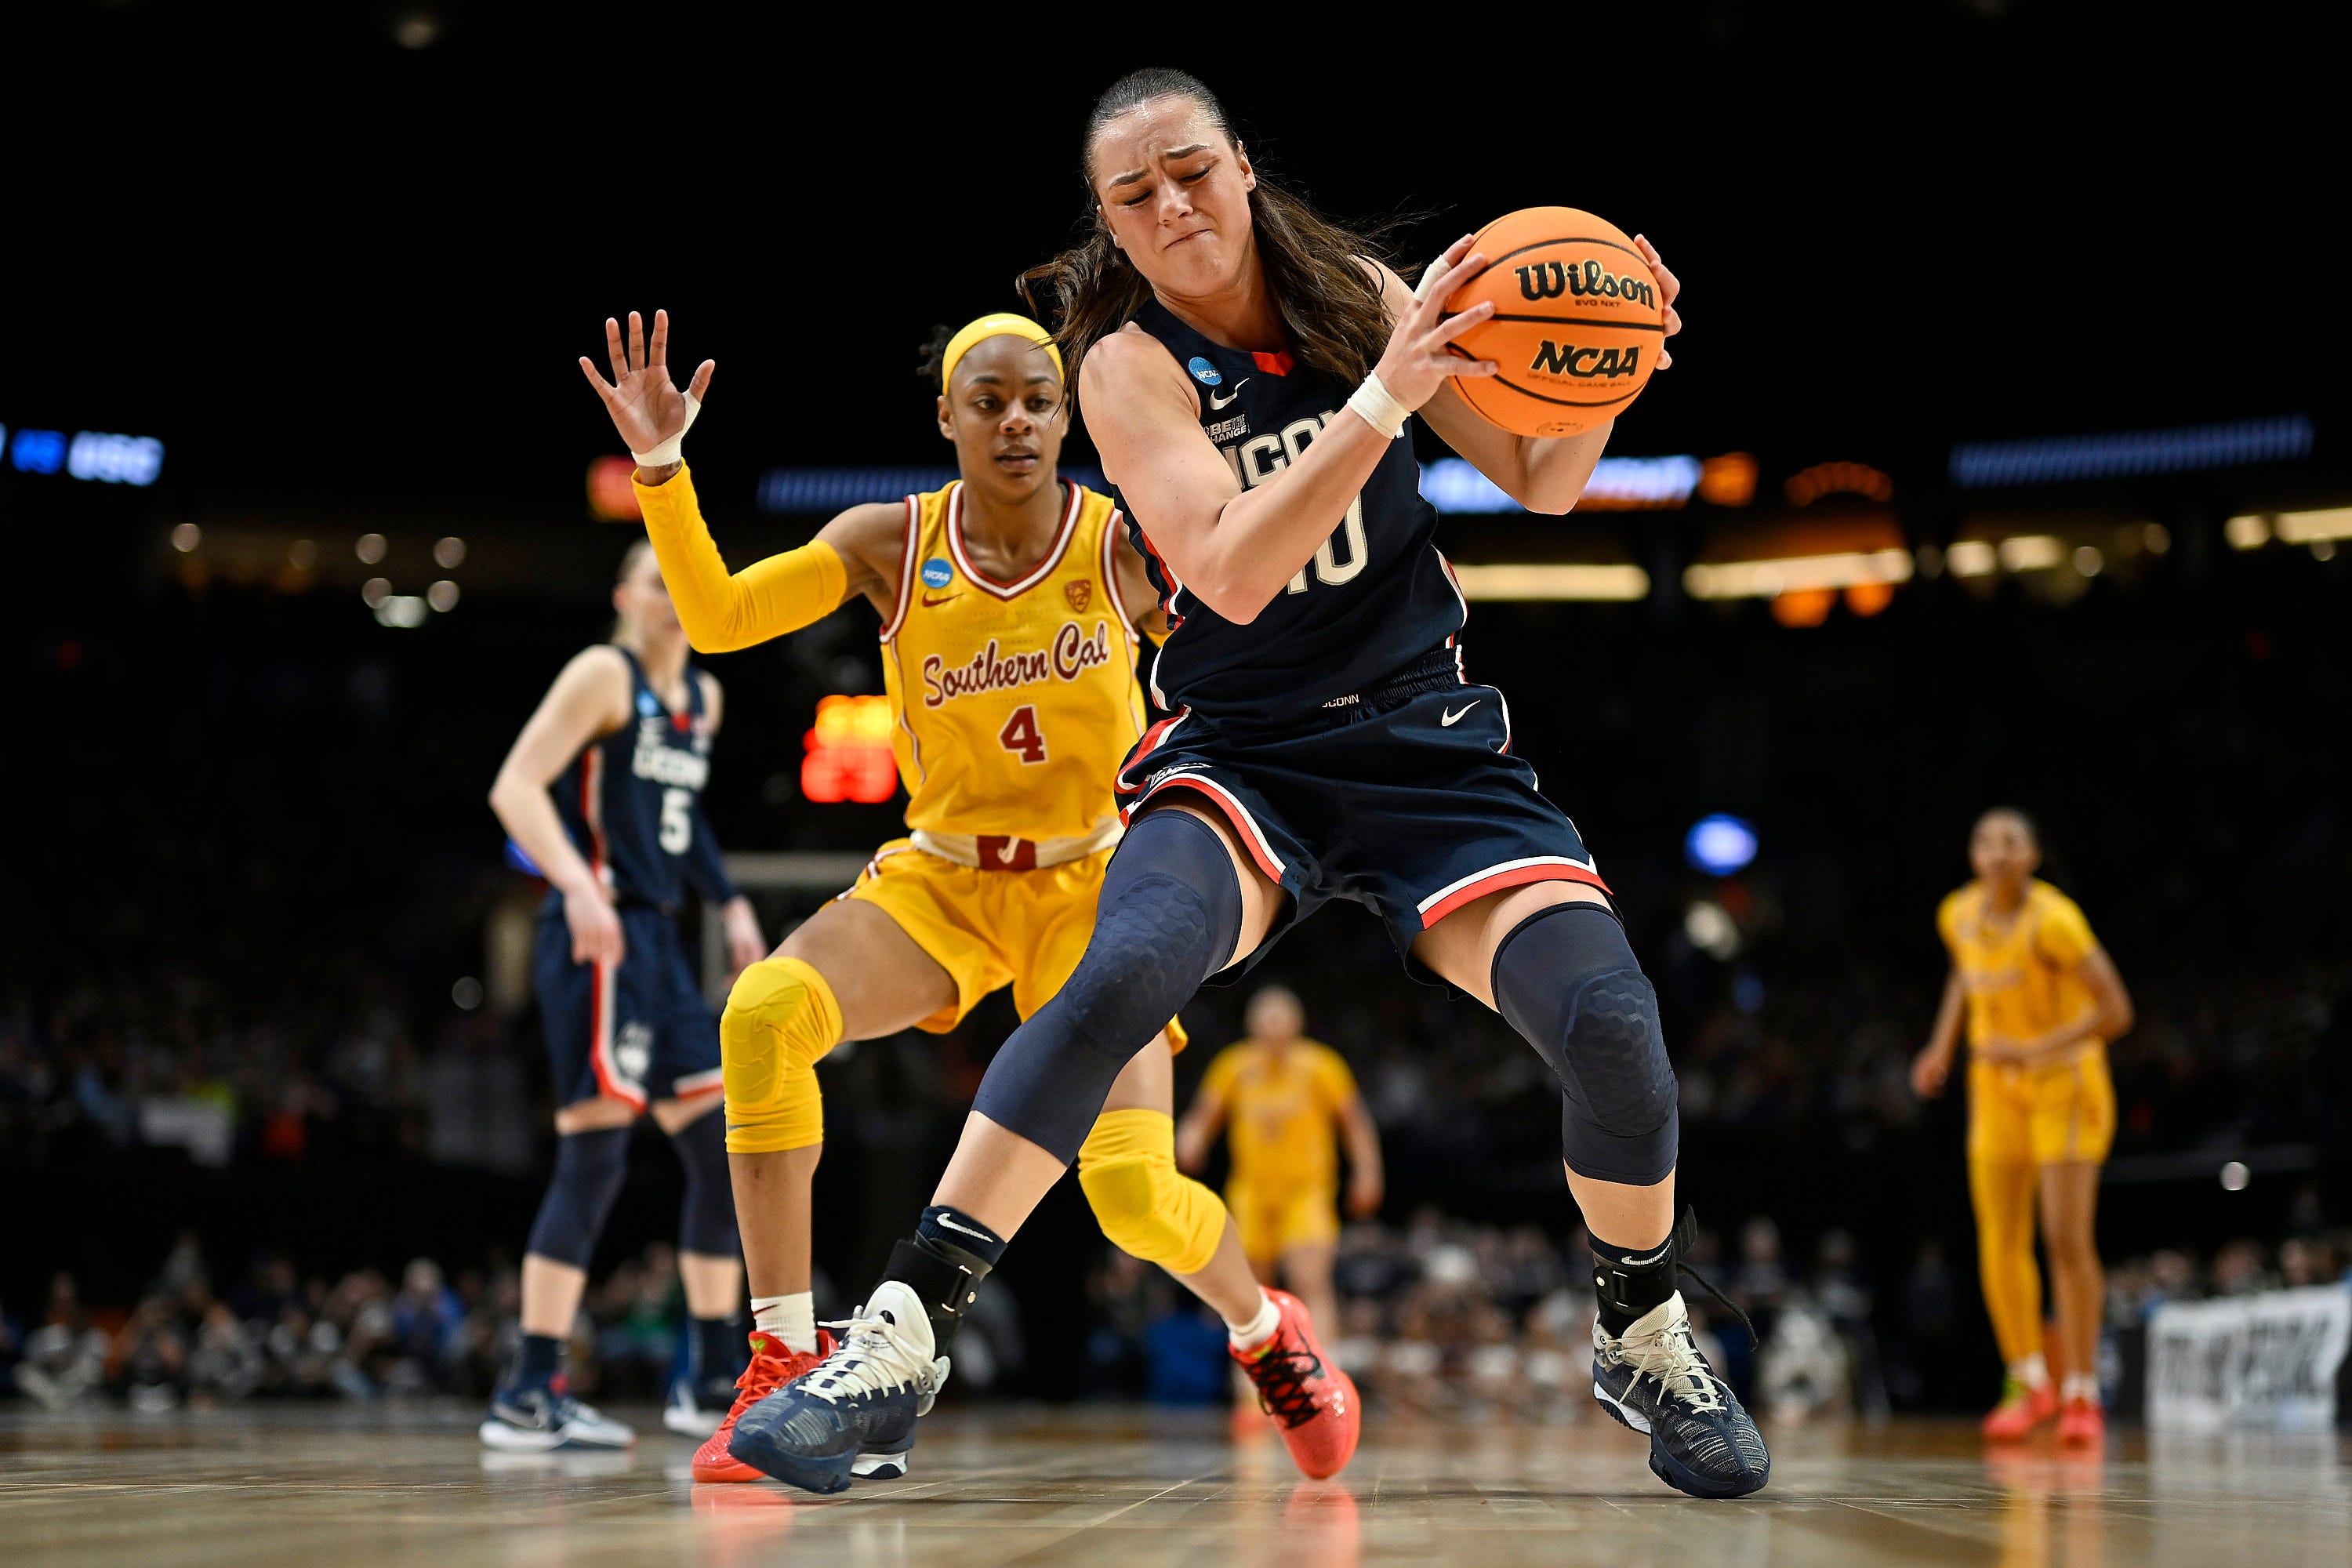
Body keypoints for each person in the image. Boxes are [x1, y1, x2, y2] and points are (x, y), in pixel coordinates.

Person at [746, 66, 1769, 1500]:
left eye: (1193, 172)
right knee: (1122, 975)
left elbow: (1539, 477)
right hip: (1250, 751)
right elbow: (1223, 572)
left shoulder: (1358, 288)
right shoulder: (1121, 363)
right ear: (1107, 220)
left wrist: (1620, 356)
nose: (1172, 207)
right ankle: (903, 1339)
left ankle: (1645, 1332)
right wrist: (1383, 400)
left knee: (1609, 1019)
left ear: (1242, 167)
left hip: (1426, 745)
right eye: (1134, 193)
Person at [579, 307, 1334, 1486]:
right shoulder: (892, 540)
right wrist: (664, 467)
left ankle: (1264, 1330)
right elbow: (722, 618)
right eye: (989, 401)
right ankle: (783, 1354)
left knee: (1134, 1197)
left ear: (1067, 412)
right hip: (943, 878)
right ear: (948, 417)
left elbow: (1264, 624)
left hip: (1097, 888)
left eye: (1039, 398)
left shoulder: (1122, 543)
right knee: (764, 1014)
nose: (1019, 419)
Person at [478, 542, 765, 1451]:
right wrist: (576, 883)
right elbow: (515, 786)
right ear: (625, 598)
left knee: (722, 1155)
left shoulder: (704, 698)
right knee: (595, 1159)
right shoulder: (604, 674)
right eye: (655, 581)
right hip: (599, 936)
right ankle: (527, 1387)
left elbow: (683, 822)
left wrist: (731, 900)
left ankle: (710, 1374)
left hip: (665, 947)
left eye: (681, 580)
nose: (672, 597)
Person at [1913, 808, 2132, 1446]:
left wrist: (2036, 1051)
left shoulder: (2055, 920)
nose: (1997, 853)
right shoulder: (1957, 912)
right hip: (1994, 1092)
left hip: (2064, 1085)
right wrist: (1940, 1047)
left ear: (2033, 856)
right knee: (1999, 1238)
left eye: (2011, 843)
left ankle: (2082, 1391)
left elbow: (2116, 1010)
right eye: (1985, 841)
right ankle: (2027, 1379)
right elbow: (1965, 972)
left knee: (2064, 1238)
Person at [1176, 985, 1381, 1336]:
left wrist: (1368, 1172)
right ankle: (1253, 1385)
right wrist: (1190, 1138)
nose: (1272, 1027)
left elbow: (1356, 1124)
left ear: (1296, 1023)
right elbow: (1204, 1113)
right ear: (1251, 1024)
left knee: (1310, 1283)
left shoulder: (1321, 1065)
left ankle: (1318, 1380)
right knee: (1250, 1295)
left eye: (1280, 1018)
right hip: (1251, 1192)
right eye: (1265, 1019)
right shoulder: (1234, 1065)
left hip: (1307, 1191)